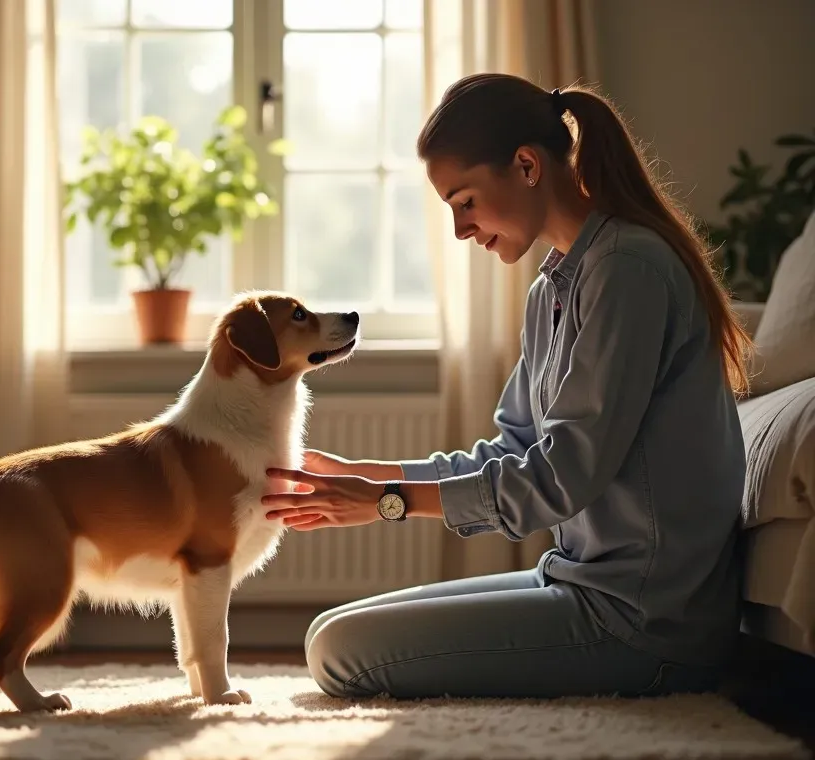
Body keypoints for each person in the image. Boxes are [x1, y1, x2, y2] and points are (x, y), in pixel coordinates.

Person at [263, 73, 754, 701]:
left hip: (645, 622)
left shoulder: (628, 270)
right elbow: (512, 449)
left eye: (465, 201)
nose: (463, 230)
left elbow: (562, 477)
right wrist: (370, 472)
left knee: (340, 654)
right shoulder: (552, 288)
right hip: (577, 581)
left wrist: (388, 500)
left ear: (526, 165)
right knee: (330, 630)